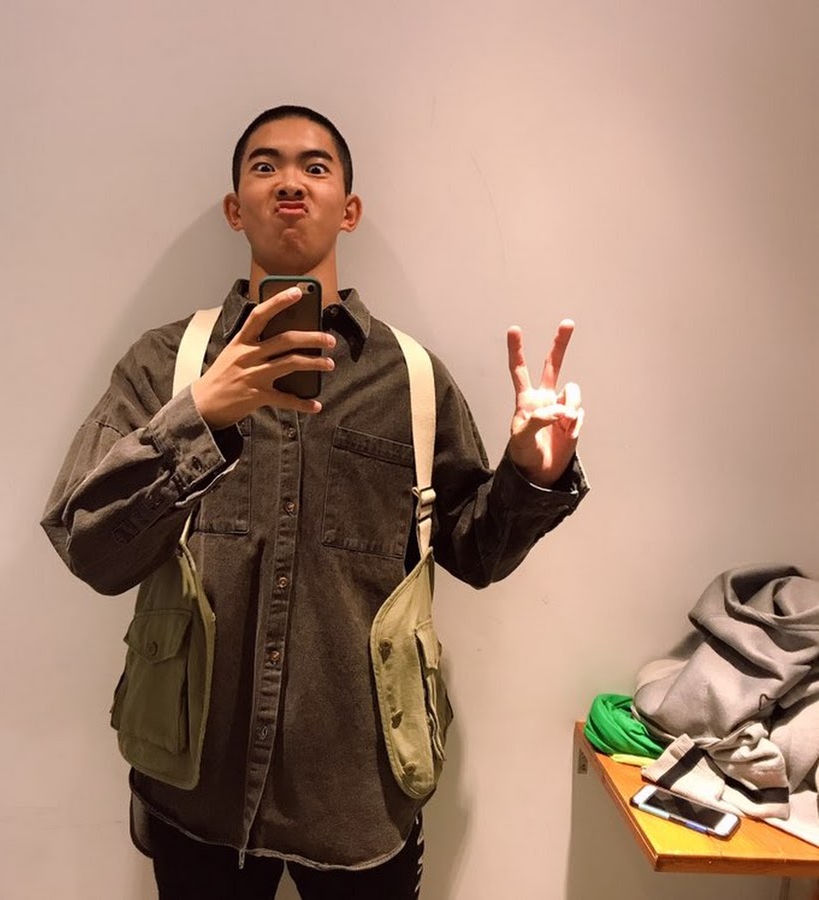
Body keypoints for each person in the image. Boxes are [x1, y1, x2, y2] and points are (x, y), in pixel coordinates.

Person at [42, 105, 589, 899]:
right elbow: (90, 546)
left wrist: (533, 474)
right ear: (236, 208)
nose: (289, 182)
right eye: (264, 166)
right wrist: (202, 415)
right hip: (195, 792)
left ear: (349, 208)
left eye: (315, 166)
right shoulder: (167, 363)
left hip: (359, 801)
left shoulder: (412, 379)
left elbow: (475, 553)